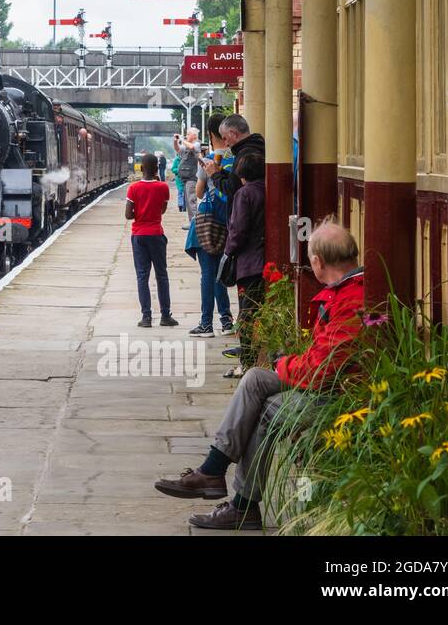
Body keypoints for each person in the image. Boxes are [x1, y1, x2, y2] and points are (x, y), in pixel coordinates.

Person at [153, 221, 365, 531]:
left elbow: (323, 369)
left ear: (317, 262)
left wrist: (283, 365)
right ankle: (214, 472)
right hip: (326, 381)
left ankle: (241, 503)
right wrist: (288, 363)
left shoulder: (352, 300)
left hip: (338, 394)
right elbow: (320, 359)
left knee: (264, 411)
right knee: (254, 379)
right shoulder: (343, 293)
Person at [185, 113, 234, 337]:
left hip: (208, 223)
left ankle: (206, 323)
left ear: (211, 134)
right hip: (230, 221)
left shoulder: (211, 159)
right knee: (220, 272)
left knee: (208, 273)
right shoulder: (237, 158)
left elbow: (199, 192)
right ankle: (226, 320)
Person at [222, 152, 266, 378]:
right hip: (267, 262)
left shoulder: (244, 194)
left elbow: (238, 231)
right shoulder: (270, 189)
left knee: (247, 316)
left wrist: (228, 252)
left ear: (242, 174)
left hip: (249, 264)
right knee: (261, 314)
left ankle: (247, 363)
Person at [126, 153, 176, 328]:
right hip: (156, 234)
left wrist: (138, 213)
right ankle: (165, 316)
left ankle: (146, 317)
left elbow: (128, 215)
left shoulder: (133, 188)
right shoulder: (163, 187)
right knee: (161, 275)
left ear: (140, 168)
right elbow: (162, 210)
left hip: (139, 235)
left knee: (142, 276)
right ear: (157, 168)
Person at [200, 114, 264, 210]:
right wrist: (220, 171)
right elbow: (236, 179)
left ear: (233, 134)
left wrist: (215, 175)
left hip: (247, 212)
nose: (225, 143)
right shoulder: (255, 147)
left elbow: (232, 188)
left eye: (225, 138)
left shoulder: (245, 152)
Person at [173, 127, 201, 221]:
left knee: (191, 200)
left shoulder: (197, 144)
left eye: (188, 134)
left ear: (194, 135)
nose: (186, 135)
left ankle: (194, 222)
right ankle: (191, 222)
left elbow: (192, 147)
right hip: (186, 177)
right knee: (188, 201)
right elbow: (178, 149)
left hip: (192, 177)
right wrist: (175, 141)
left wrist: (181, 139)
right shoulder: (185, 146)